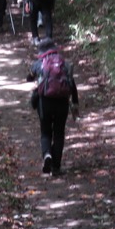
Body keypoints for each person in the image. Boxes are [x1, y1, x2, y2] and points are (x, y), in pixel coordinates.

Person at [26, 37, 79, 176]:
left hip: (45, 102)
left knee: (45, 132)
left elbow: (29, 77)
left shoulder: (39, 64)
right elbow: (72, 85)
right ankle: (56, 166)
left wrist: (33, 75)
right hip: (62, 102)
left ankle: (47, 155)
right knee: (59, 133)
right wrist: (75, 103)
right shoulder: (64, 64)